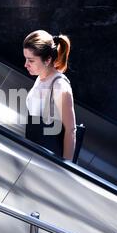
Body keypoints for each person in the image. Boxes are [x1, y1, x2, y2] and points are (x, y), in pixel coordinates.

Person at [23, 30, 76, 160]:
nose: (25, 65)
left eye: (31, 60)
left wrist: (65, 169)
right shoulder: (40, 78)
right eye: (25, 59)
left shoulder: (59, 86)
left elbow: (71, 130)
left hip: (49, 161)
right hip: (35, 154)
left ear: (47, 60)